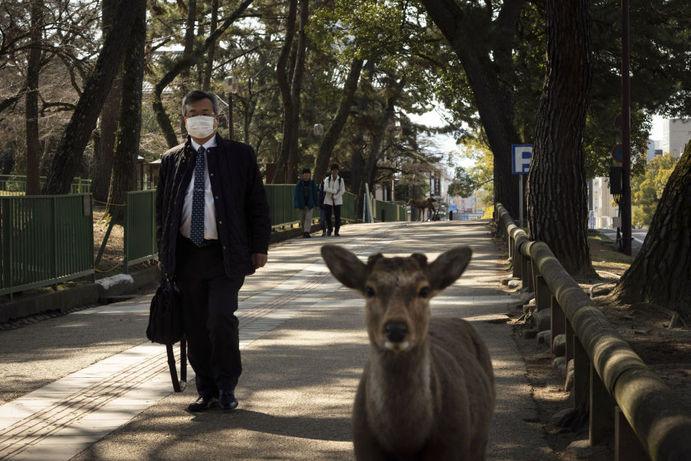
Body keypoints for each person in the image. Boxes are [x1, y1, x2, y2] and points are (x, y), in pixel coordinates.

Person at [156, 90, 271, 412]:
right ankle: (205, 389)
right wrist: (163, 254)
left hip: (226, 253)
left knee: (220, 318)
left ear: (217, 118)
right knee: (194, 325)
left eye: (205, 112)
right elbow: (162, 211)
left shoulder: (240, 155)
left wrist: (260, 247)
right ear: (184, 119)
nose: (199, 117)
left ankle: (226, 385)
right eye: (192, 112)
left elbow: (257, 205)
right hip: (186, 255)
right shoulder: (171, 159)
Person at [293, 168, 319, 238]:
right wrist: (296, 204)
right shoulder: (299, 184)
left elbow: (315, 194)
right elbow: (296, 195)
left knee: (308, 218)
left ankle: (306, 232)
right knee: (302, 219)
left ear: (310, 175)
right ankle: (304, 232)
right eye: (305, 174)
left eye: (308, 174)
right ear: (302, 175)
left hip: (310, 204)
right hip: (301, 204)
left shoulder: (312, 183)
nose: (306, 175)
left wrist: (316, 204)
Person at [323, 163, 345, 237]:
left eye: (336, 170)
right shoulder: (327, 179)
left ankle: (336, 231)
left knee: (337, 217)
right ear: (331, 171)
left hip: (337, 200)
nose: (334, 172)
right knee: (328, 216)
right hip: (328, 199)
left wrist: (335, 196)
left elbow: (343, 190)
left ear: (338, 171)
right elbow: (325, 188)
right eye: (333, 170)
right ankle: (329, 229)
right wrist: (334, 191)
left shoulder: (340, 180)